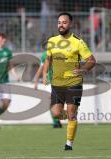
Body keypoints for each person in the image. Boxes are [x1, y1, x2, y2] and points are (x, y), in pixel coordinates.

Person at [42, 12, 96, 150]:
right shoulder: (52, 41)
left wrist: (83, 69)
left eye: (64, 22)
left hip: (74, 83)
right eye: (59, 22)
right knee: (56, 113)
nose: (61, 25)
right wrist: (44, 74)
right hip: (57, 83)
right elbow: (48, 59)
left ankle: (69, 144)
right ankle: (73, 116)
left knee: (71, 113)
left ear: (70, 24)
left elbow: (91, 60)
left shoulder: (78, 42)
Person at [33, 51, 62, 128]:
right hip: (50, 81)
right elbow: (41, 68)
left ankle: (56, 119)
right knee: (51, 100)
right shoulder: (45, 55)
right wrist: (36, 80)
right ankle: (55, 122)